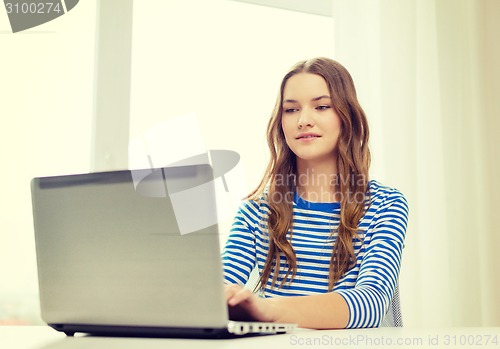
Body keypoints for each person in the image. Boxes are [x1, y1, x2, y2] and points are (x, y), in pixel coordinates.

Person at [222, 57, 409, 329]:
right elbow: (219, 291)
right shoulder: (257, 210)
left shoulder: (385, 205)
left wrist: (267, 309)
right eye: (291, 110)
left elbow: (371, 303)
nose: (303, 120)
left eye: (321, 107)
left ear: (347, 117)